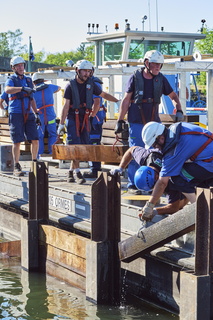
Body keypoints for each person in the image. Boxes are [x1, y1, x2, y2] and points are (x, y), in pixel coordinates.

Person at [114, 50, 184, 195]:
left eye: (160, 64)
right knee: (135, 151)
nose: (158, 67)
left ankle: (156, 182)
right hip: (136, 122)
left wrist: (179, 109)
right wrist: (120, 120)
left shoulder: (161, 79)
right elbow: (126, 100)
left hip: (155, 124)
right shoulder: (135, 78)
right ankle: (133, 184)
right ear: (147, 63)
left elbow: (173, 96)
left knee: (158, 152)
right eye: (155, 64)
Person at [57, 59, 119, 184]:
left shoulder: (91, 85)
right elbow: (65, 106)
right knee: (76, 146)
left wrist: (118, 101)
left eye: (88, 71)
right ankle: (77, 172)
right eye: (84, 71)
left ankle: (71, 171)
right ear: (77, 71)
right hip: (73, 119)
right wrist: (61, 124)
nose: (86, 74)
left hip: (85, 119)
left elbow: (103, 95)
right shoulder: (70, 86)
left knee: (83, 146)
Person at [140, 121, 213, 221]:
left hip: (209, 162)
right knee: (197, 180)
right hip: (208, 156)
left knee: (177, 178)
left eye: (155, 145)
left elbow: (162, 183)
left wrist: (149, 206)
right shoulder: (179, 127)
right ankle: (204, 207)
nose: (155, 148)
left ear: (160, 138)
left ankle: (199, 211)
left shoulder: (173, 151)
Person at [110, 146, 189, 217]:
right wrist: (121, 167)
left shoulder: (171, 179)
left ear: (157, 177)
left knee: (181, 203)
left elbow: (174, 207)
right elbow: (131, 150)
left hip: (189, 163)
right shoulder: (147, 157)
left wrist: (154, 211)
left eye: (154, 186)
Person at [5, 56, 41, 176]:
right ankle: (17, 165)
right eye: (18, 66)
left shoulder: (29, 80)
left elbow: (32, 99)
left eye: (22, 65)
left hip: (28, 113)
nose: (21, 68)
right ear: (13, 68)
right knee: (17, 141)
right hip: (16, 113)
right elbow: (7, 90)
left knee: (35, 139)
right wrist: (22, 88)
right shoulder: (11, 79)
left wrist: (36, 113)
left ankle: (35, 162)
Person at [83, 67, 106, 178]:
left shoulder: (93, 84)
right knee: (92, 142)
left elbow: (96, 103)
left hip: (95, 120)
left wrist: (91, 117)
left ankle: (95, 169)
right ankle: (94, 167)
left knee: (93, 143)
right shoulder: (93, 83)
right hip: (95, 118)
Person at [32, 72, 61, 157]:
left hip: (39, 115)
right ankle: (52, 153)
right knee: (52, 134)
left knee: (39, 135)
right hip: (50, 114)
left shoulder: (33, 91)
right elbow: (59, 88)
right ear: (43, 80)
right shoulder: (50, 87)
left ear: (34, 82)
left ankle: (39, 154)